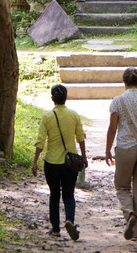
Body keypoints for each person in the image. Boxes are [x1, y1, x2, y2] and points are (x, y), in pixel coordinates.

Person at [105, 67, 137, 241]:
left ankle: (129, 215)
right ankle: (136, 234)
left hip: (125, 148)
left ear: (124, 82)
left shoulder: (118, 101)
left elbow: (113, 128)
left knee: (121, 186)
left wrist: (107, 150)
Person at [32, 83, 88, 241]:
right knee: (69, 195)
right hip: (70, 163)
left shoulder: (47, 117)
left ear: (52, 99)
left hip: (51, 162)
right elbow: (81, 138)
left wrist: (35, 161)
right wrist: (83, 157)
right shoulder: (74, 115)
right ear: (66, 98)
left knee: (54, 195)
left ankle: (56, 229)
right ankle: (70, 220)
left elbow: (40, 141)